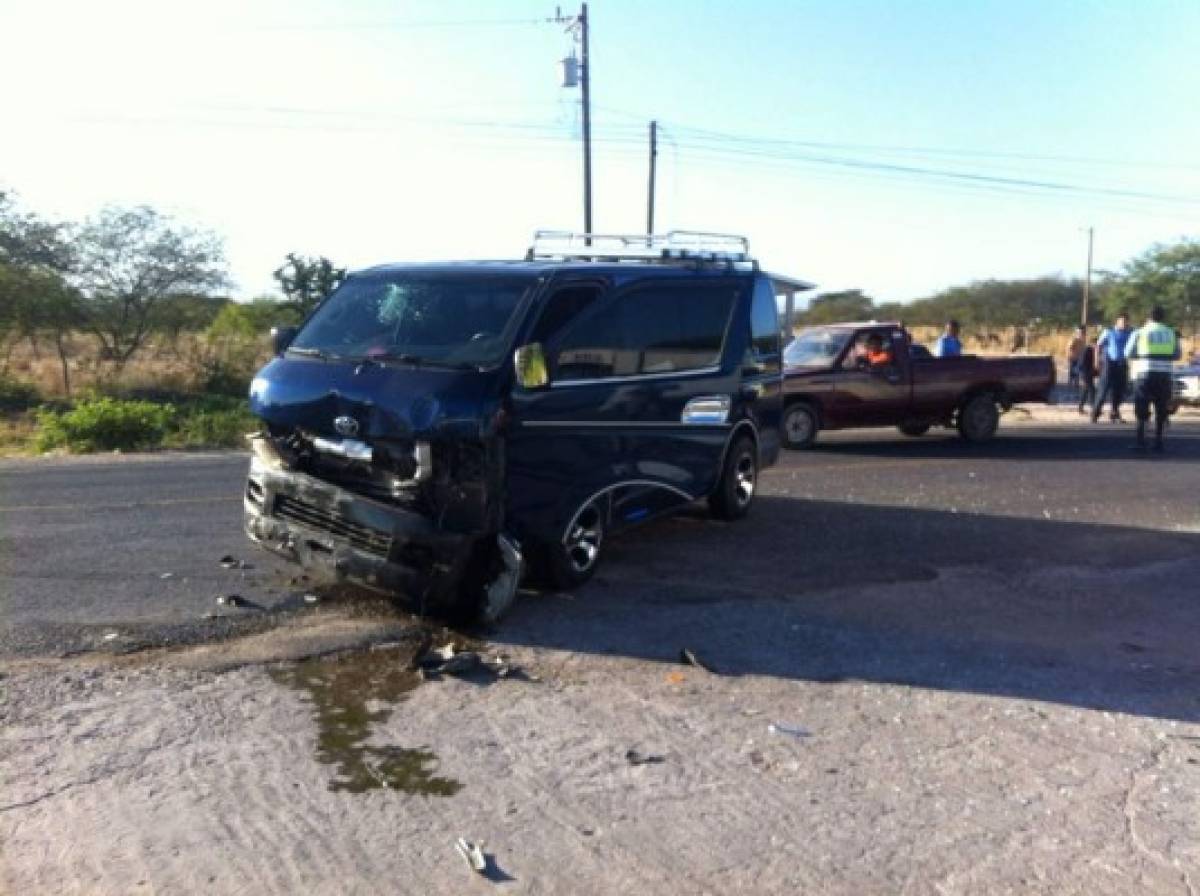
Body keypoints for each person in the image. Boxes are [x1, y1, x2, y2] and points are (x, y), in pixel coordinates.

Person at [1125, 305, 1181, 451]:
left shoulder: (1140, 332)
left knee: (1142, 408)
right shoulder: (1171, 333)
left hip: (1144, 373)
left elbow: (1128, 353)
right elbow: (1177, 355)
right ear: (1163, 317)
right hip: (1164, 374)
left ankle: (1140, 442)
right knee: (1161, 408)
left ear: (1148, 317)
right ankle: (1158, 442)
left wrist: (1141, 355)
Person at [1091, 312, 1132, 423]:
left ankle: (1114, 412)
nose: (1123, 324)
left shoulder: (1129, 333)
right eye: (1121, 322)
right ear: (1117, 322)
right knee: (1103, 389)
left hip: (1122, 363)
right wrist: (1096, 361)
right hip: (1109, 363)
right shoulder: (1109, 332)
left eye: (1125, 322)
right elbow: (1098, 346)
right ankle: (1095, 413)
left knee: (1119, 390)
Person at [1076, 329, 1097, 414]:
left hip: (1088, 373)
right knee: (1091, 390)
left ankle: (1081, 408)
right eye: (1095, 344)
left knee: (1086, 391)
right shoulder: (1087, 350)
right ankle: (1093, 407)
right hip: (1085, 373)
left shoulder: (1091, 350)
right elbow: (1081, 364)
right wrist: (1082, 376)